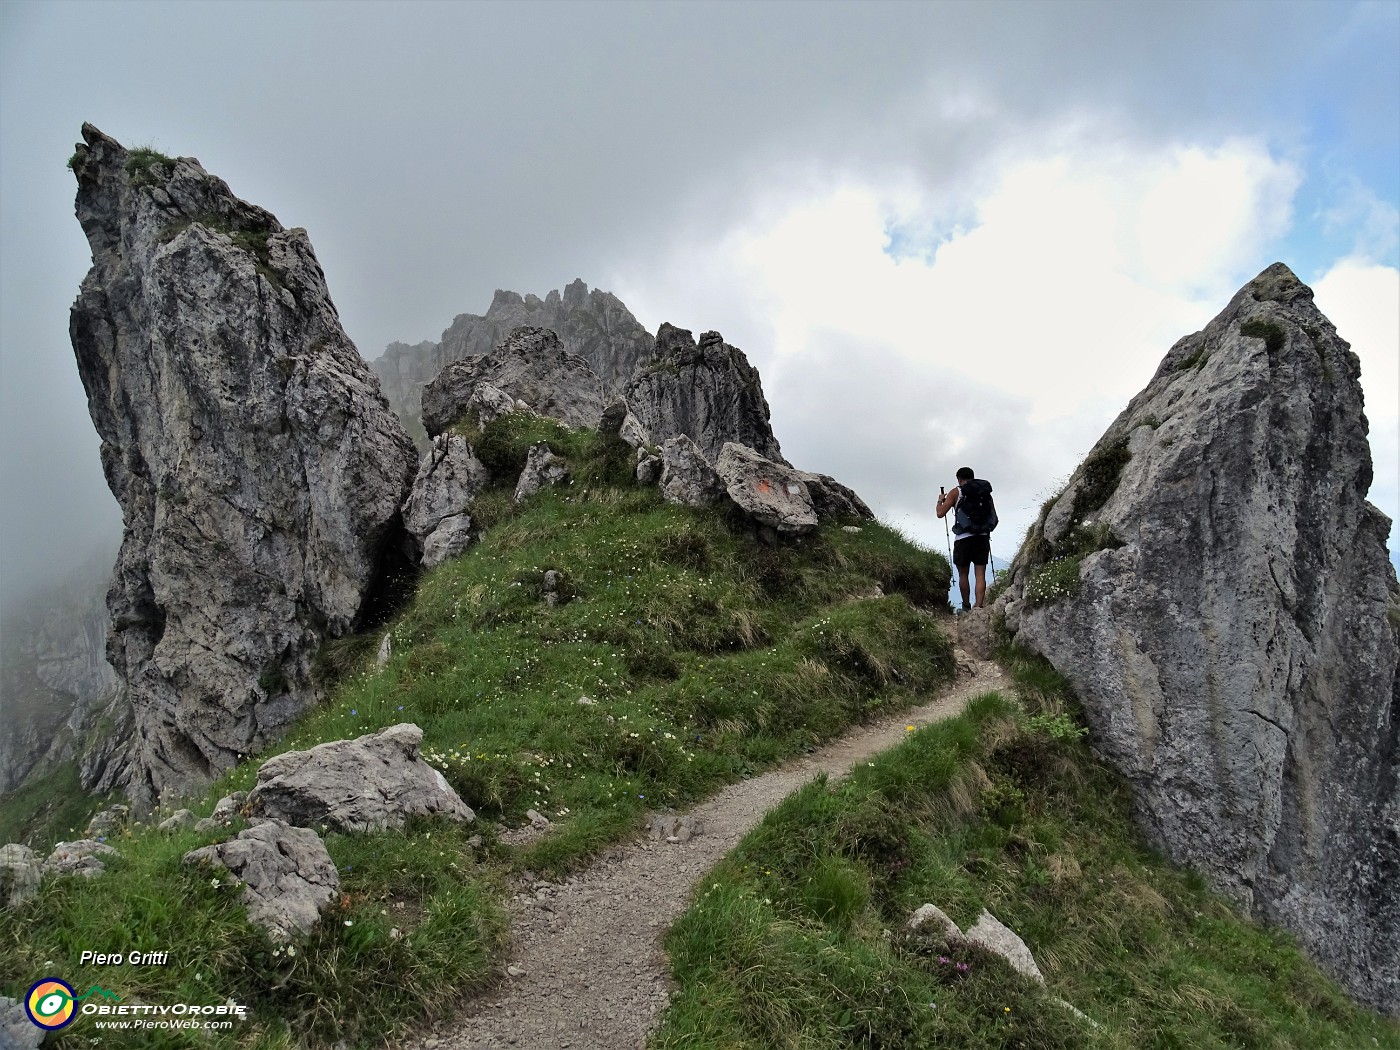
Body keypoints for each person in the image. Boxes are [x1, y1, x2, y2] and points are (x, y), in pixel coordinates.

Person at [936, 467, 997, 612]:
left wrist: (940, 501)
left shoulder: (956, 492)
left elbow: (940, 513)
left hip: (963, 537)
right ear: (973, 477)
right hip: (982, 537)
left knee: (963, 574)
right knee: (980, 573)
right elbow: (993, 515)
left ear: (959, 479)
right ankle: (979, 606)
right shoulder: (985, 492)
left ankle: (966, 606)